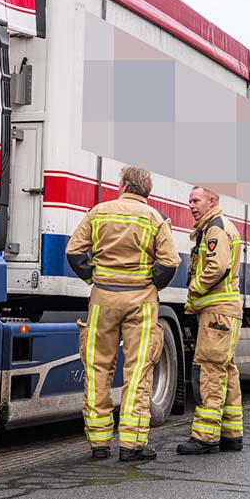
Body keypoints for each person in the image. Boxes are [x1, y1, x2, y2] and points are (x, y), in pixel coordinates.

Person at [66, 165, 179, 462]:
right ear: (146, 191)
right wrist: (149, 283)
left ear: (126, 186)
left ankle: (99, 442)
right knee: (138, 371)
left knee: (97, 369)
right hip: (140, 303)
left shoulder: (99, 212)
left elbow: (74, 252)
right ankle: (132, 445)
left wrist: (95, 278)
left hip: (103, 300)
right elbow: (169, 263)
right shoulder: (156, 219)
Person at [176, 186, 245, 455]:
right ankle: (231, 434)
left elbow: (217, 266)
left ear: (212, 200)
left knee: (209, 371)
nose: (191, 205)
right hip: (224, 312)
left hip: (217, 312)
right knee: (226, 371)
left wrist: (194, 288)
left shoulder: (215, 228)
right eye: (189, 201)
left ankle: (205, 437)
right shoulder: (218, 226)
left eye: (196, 200)